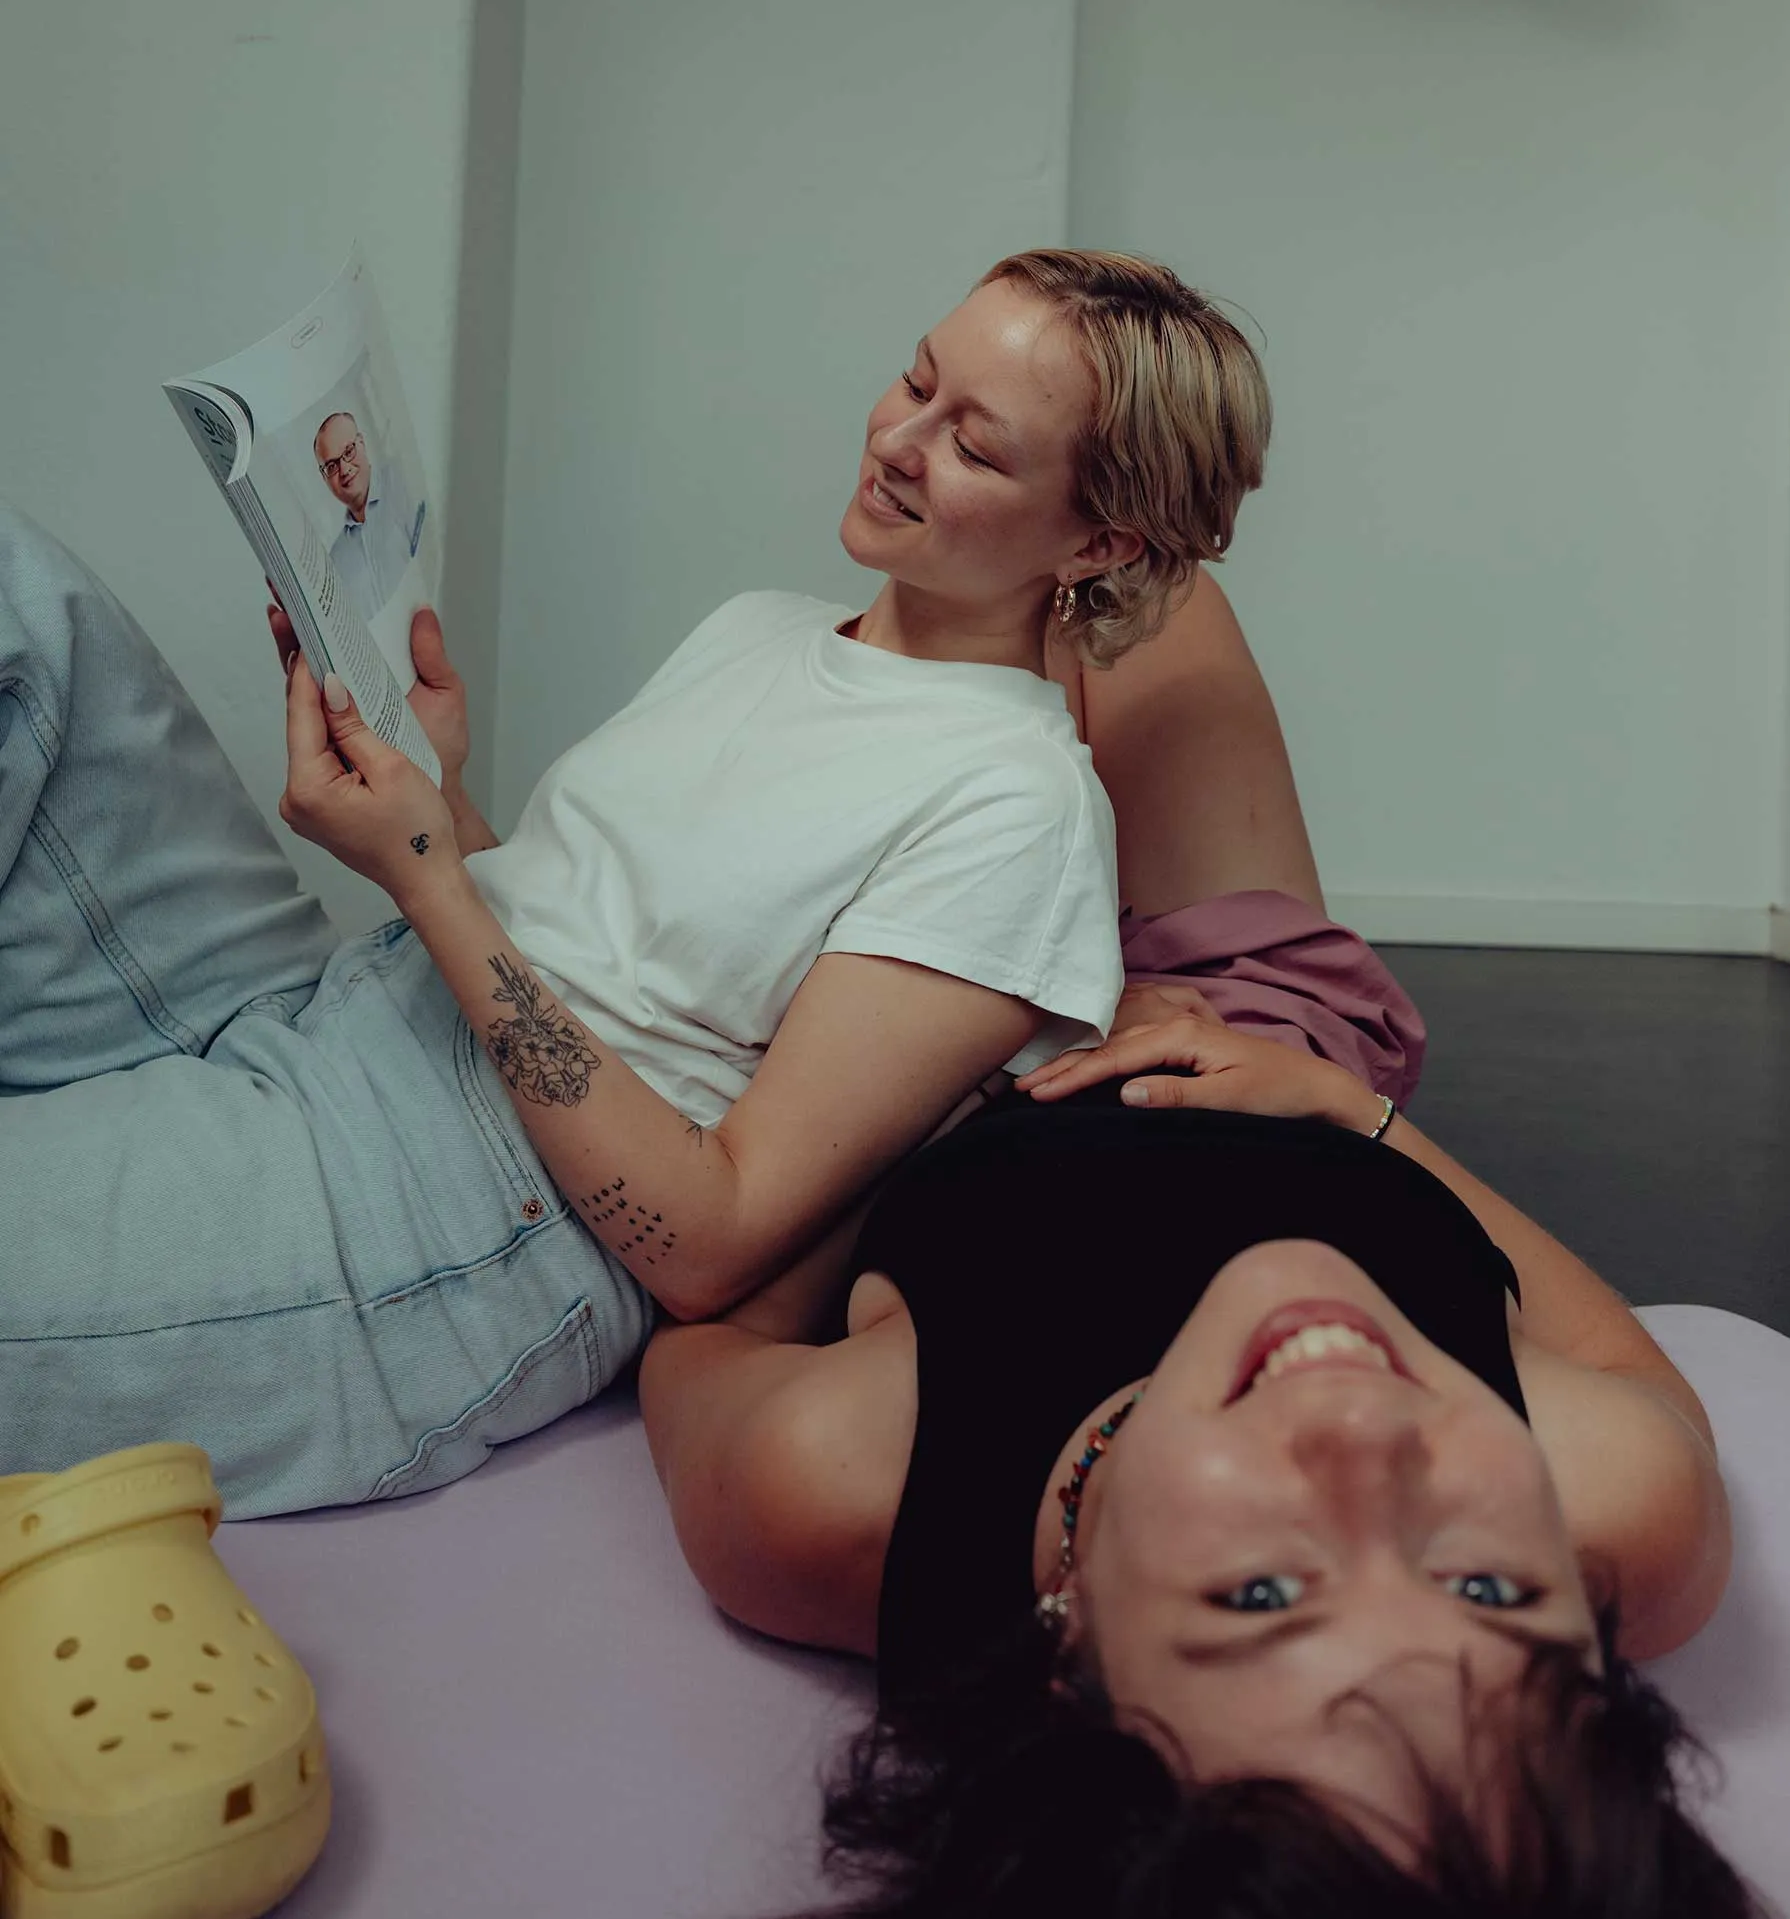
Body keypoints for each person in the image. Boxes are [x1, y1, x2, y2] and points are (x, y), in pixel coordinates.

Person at [638, 588, 1790, 1919]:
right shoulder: (1630, 1517)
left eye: (1263, 1593)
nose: (1363, 1437)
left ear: (1069, 1675)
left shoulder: (839, 1493)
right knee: (1139, 587)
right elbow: (1619, 1361)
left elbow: (714, 1318)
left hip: (919, 1037)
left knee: (982, 626)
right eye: (1489, 1587)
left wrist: (909, 1092)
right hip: (1254, 1020)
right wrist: (1356, 1115)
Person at [1, 251, 1266, 1518]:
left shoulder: (1017, 812)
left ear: (1100, 538)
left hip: (444, 1210)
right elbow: (577, 935)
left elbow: (707, 1244)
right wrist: (433, 780)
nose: (897, 439)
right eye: (916, 381)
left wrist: (427, 876)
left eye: (975, 448)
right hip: (328, 1013)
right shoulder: (762, 627)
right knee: (21, 597)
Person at [311, 409, 422, 618]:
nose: (344, 469)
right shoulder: (335, 561)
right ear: (324, 478)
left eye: (348, 451)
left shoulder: (404, 481)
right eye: (332, 466)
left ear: (361, 443)